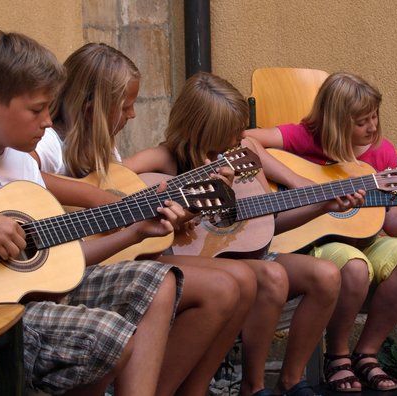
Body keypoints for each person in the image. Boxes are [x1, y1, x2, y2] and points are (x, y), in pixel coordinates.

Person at [0, 29, 193, 396]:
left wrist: (135, 232)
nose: (48, 121)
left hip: (22, 303)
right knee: (110, 337)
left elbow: (60, 261)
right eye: (36, 109)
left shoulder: (24, 168)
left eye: (49, 107)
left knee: (157, 279)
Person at [120, 71, 366, 396]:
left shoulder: (240, 157)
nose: (241, 136)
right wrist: (175, 210)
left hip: (250, 252)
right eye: (231, 131)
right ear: (205, 130)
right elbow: (114, 187)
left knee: (326, 275)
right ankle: (254, 385)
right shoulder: (163, 160)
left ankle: (289, 382)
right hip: (193, 262)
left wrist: (323, 206)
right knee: (272, 276)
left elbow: (265, 224)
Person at [33, 43, 257, 396]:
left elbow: (124, 215)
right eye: (125, 106)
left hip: (112, 255)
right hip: (69, 267)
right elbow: (24, 178)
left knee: (242, 280)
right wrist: (99, 200)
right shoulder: (46, 142)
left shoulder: (105, 150)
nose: (133, 115)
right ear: (91, 108)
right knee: (222, 287)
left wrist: (179, 216)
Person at [244, 71, 397, 392]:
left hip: (365, 239)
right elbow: (246, 141)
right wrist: (301, 183)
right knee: (354, 266)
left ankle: (366, 353)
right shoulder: (304, 138)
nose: (373, 127)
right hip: (309, 243)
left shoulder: (381, 153)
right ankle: (337, 356)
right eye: (362, 121)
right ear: (335, 121)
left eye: (375, 117)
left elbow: (392, 223)